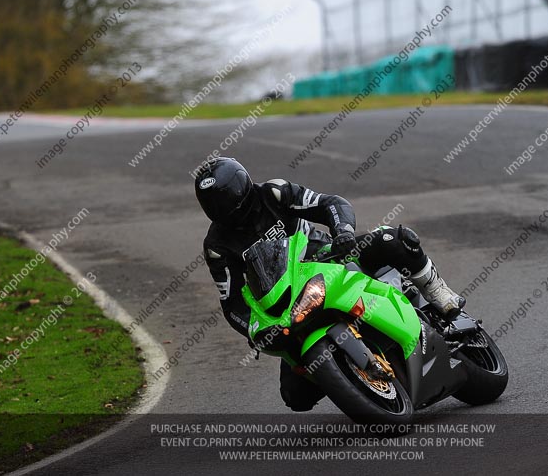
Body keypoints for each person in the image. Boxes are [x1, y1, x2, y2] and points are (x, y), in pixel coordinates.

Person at [195, 157, 465, 411]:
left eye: (225, 200)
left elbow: (331, 204)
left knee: (392, 239)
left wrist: (343, 231)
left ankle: (439, 293)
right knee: (295, 397)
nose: (223, 209)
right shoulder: (216, 246)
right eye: (213, 205)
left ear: (242, 188)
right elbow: (231, 304)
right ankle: (348, 373)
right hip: (290, 305)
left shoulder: (274, 193)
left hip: (330, 259)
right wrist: (256, 332)